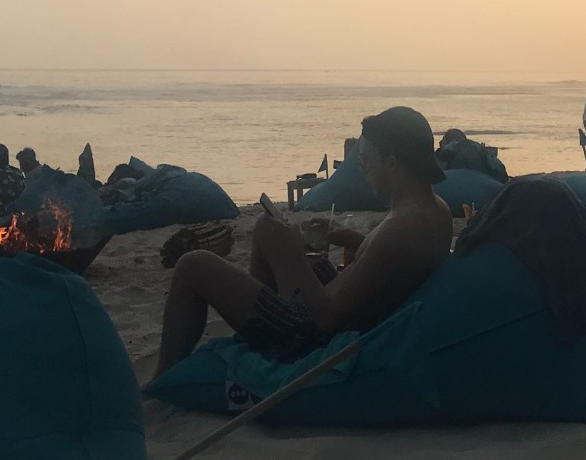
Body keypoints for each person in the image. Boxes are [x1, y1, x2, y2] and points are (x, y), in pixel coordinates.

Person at [149, 106, 452, 381]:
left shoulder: (402, 227)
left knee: (194, 264)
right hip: (350, 311)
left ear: (392, 163)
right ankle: (262, 324)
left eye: (364, 160)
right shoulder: (433, 209)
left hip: (313, 336)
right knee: (267, 231)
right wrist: (348, 238)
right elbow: (389, 268)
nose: (362, 169)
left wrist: (292, 253)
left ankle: (167, 376)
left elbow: (323, 319)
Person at [435, 129, 508, 183]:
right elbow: (499, 169)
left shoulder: (446, 150)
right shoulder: (480, 148)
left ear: (445, 141)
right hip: (482, 185)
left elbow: (436, 173)